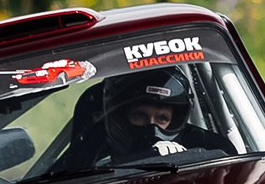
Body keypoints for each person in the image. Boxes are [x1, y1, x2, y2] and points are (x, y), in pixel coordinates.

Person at [92, 69, 236, 165]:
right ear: (121, 117)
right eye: (140, 116)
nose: (152, 126)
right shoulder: (94, 157)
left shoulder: (211, 149)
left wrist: (183, 159)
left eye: (162, 119)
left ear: (175, 121)